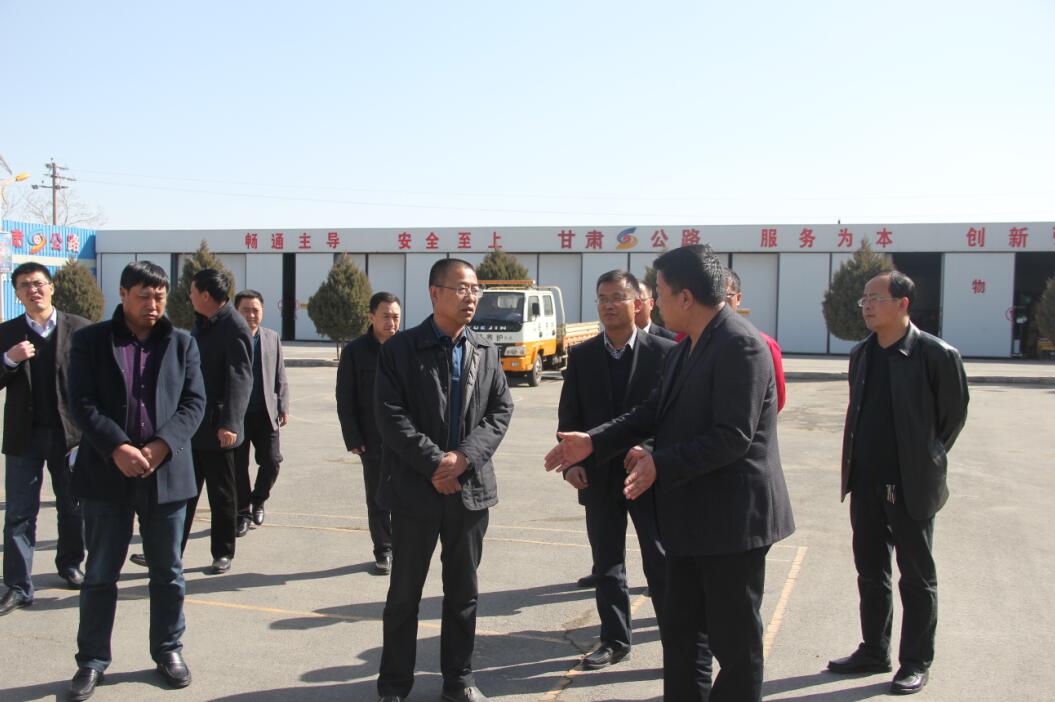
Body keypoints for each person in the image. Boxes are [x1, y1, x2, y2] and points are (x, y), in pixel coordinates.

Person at [545, 244, 795, 702]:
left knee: (734, 645)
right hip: (687, 518)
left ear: (685, 297)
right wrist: (593, 441)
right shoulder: (686, 348)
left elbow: (732, 437)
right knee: (683, 638)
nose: (653, 302)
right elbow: (650, 411)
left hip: (732, 524)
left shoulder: (740, 345)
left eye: (658, 293)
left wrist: (660, 462)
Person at [65, 261, 205, 701]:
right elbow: (81, 401)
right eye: (144, 295)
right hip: (107, 474)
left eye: (159, 296)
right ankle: (92, 660)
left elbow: (194, 402)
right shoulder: (90, 341)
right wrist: (117, 447)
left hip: (166, 475)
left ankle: (168, 650)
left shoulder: (182, 342)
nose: (153, 304)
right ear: (123, 294)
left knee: (168, 573)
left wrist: (162, 445)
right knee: (100, 573)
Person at [375, 259, 513, 702]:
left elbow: (500, 411)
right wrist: (437, 463)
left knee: (463, 594)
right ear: (435, 293)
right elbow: (390, 416)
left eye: (475, 289)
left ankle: (459, 680)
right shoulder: (401, 350)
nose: (471, 297)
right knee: (404, 596)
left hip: (470, 493)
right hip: (416, 491)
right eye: (461, 289)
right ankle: (394, 685)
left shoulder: (485, 350)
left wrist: (463, 459)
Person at [827, 271, 969, 695]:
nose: (867, 306)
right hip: (866, 482)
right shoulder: (862, 354)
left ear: (903, 304)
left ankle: (915, 661)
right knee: (871, 571)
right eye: (864, 299)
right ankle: (874, 650)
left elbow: (952, 418)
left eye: (876, 298)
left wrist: (923, 458)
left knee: (916, 577)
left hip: (911, 484)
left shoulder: (936, 354)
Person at [557, 270, 675, 669]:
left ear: (637, 303)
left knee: (660, 562)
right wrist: (571, 464)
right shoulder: (583, 356)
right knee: (608, 565)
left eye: (617, 297)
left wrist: (650, 448)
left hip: (647, 476)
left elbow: (675, 416)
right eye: (602, 298)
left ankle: (677, 640)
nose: (608, 305)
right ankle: (614, 640)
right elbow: (569, 416)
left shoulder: (666, 352)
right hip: (599, 477)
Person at [0, 262, 89, 616]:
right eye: (24, 285)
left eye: (38, 283)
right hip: (25, 436)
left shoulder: (80, 329)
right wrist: (9, 360)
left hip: (71, 435)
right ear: (17, 294)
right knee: (19, 513)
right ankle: (18, 585)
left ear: (51, 287)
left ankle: (70, 564)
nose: (33, 290)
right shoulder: (8, 332)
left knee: (73, 505)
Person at [181, 268, 253, 574]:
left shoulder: (233, 326)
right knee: (183, 491)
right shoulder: (203, 322)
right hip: (192, 424)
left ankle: (223, 552)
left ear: (206, 296)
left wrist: (231, 423)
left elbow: (241, 377)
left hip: (219, 427)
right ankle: (168, 549)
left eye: (193, 291)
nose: (190, 296)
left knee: (221, 494)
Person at [336, 291, 401, 575]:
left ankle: (404, 546)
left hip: (407, 438)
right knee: (377, 496)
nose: (391, 322)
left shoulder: (407, 348)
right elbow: (345, 397)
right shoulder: (355, 352)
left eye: (396, 317)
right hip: (372, 439)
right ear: (371, 317)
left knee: (406, 496)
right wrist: (353, 437)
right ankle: (383, 549)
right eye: (385, 316)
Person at [232, 289, 289, 537]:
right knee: (238, 467)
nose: (251, 315)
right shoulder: (229, 337)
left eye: (255, 310)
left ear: (262, 311)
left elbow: (280, 374)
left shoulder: (271, 337)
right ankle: (243, 513)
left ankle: (259, 499)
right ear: (236, 311)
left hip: (266, 412)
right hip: (237, 416)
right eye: (246, 310)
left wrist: (283, 405)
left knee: (272, 461)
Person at [725, 268, 786, 412]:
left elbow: (777, 400)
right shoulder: (686, 341)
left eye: (726, 296)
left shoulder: (764, 344)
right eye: (713, 296)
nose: (720, 303)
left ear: (738, 298)